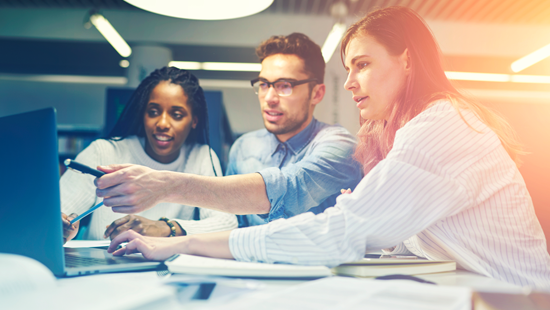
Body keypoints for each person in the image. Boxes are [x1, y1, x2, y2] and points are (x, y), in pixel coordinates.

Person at [104, 7, 550, 289]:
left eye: (363, 64)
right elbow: (382, 238)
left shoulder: (442, 126)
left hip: (519, 300)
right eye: (348, 67)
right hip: (486, 294)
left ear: (407, 60)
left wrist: (178, 237)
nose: (351, 82)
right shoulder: (419, 128)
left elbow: (338, 232)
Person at [93, 33, 362, 227]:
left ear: (317, 93)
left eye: (284, 85)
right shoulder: (245, 147)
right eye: (264, 84)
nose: (269, 97)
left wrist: (164, 185)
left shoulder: (339, 146)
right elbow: (231, 225)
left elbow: (290, 187)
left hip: (317, 279)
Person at [61, 67, 237, 243]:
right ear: (142, 115)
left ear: (194, 121)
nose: (162, 123)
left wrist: (164, 227)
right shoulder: (104, 152)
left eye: (176, 115)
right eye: (153, 112)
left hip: (165, 267)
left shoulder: (201, 156)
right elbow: (55, 214)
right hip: (101, 264)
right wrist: (62, 227)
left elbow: (227, 223)